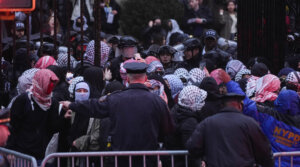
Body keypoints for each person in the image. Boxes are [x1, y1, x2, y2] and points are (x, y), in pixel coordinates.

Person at [61, 62, 174, 153]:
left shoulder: (115, 99)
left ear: (128, 80)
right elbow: (168, 129)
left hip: (120, 158)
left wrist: (71, 105)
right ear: (145, 79)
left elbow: (94, 107)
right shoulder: (158, 101)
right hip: (147, 158)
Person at [186, 92, 274, 167]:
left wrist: (204, 157)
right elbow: (264, 151)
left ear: (222, 106)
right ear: (240, 106)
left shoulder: (208, 122)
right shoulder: (250, 123)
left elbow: (193, 146)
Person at [6, 69, 63, 161]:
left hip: (42, 155)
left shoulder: (52, 103)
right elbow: (13, 126)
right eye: (49, 82)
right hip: (22, 154)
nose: (51, 85)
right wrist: (10, 149)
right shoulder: (24, 100)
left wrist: (63, 117)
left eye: (53, 83)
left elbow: (53, 127)